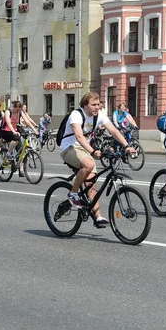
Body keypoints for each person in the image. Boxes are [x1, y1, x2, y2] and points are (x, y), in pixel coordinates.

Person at [59, 92, 134, 228]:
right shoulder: (76, 115)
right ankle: (73, 193)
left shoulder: (99, 115)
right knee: (89, 164)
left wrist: (127, 146)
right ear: (85, 105)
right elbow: (80, 137)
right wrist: (93, 151)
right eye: (93, 105)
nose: (97, 107)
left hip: (84, 149)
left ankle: (98, 217)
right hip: (69, 148)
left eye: (98, 104)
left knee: (91, 183)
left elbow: (114, 131)